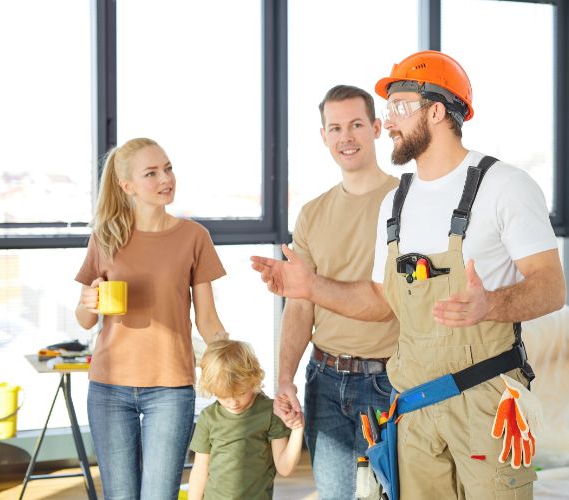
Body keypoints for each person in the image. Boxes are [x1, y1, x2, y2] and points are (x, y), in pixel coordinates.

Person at [251, 50, 566, 499]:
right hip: (414, 407)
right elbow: (383, 299)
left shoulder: (504, 185)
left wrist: (490, 304)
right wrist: (310, 287)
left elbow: (551, 288)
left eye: (399, 108)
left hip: (487, 403)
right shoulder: (395, 203)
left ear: (437, 111)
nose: (390, 122)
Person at [75, 137, 228, 500]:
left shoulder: (194, 236)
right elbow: (84, 320)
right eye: (152, 173)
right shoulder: (105, 237)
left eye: (168, 168)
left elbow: (208, 320)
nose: (166, 178)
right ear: (126, 186)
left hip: (170, 388)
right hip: (109, 388)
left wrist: (234, 365)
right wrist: (89, 302)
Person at [273, 84, 399, 500]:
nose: (346, 137)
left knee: (386, 495)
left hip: (388, 382)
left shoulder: (403, 202)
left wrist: (308, 284)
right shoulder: (312, 213)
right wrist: (285, 378)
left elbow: (383, 304)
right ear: (324, 136)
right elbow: (299, 305)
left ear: (377, 128)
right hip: (323, 380)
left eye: (356, 125)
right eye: (336, 127)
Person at [188, 339, 304, 500]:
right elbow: (200, 468)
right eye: (224, 397)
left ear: (253, 378)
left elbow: (285, 468)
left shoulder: (270, 412)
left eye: (241, 393)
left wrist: (297, 429)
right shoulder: (209, 417)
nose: (233, 402)